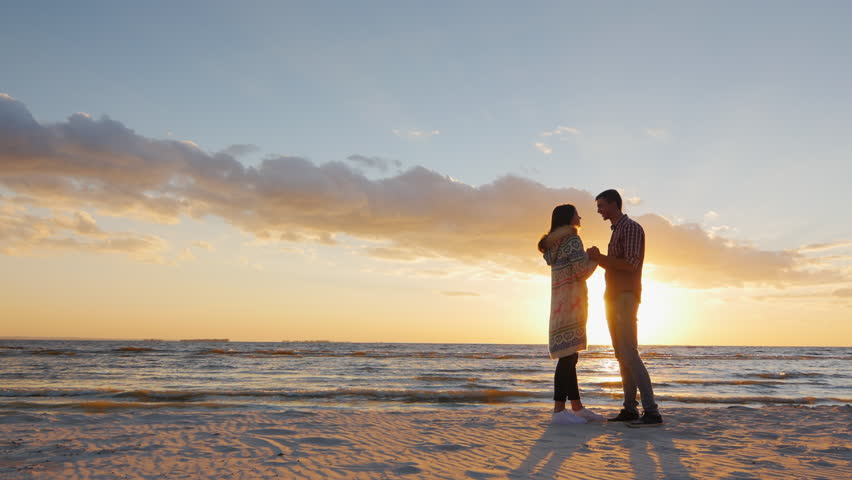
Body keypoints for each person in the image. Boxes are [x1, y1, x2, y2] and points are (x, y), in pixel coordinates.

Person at [587, 189, 663, 427]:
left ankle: (651, 411)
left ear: (613, 203)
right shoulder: (617, 230)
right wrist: (601, 260)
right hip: (613, 296)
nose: (598, 210)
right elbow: (616, 265)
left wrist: (600, 258)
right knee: (622, 355)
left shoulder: (630, 228)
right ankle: (630, 409)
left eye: (601, 205)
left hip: (625, 297)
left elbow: (630, 264)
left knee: (629, 353)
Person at [538, 204, 604, 425]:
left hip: (559, 305)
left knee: (570, 355)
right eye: (577, 213)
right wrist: (594, 257)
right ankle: (559, 410)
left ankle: (576, 407)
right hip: (573, 304)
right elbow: (581, 271)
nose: (580, 216)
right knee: (568, 359)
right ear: (569, 218)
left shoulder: (553, 245)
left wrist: (585, 257)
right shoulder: (572, 240)